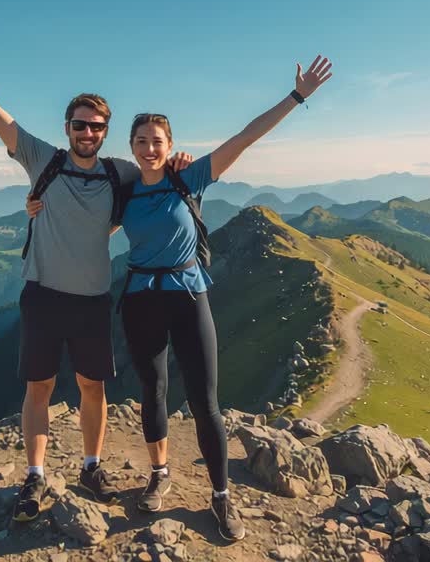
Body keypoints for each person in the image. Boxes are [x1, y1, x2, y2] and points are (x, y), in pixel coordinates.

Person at [29, 55, 334, 541]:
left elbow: (246, 137)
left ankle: (221, 497)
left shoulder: (186, 178)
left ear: (171, 146)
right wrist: (36, 212)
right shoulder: (124, 189)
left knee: (203, 400)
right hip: (141, 300)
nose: (149, 148)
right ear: (130, 147)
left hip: (188, 294)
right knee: (152, 390)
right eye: (141, 141)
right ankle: (160, 474)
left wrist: (296, 97)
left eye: (157, 141)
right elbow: (86, 224)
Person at [0, 10, 191, 522]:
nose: (89, 132)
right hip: (41, 294)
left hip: (90, 298)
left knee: (93, 388)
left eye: (97, 126)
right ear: (67, 128)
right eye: (81, 124)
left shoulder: (121, 172)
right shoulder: (42, 159)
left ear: (107, 132)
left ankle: (90, 465)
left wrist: (176, 162)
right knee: (38, 388)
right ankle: (35, 477)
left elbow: (156, 180)